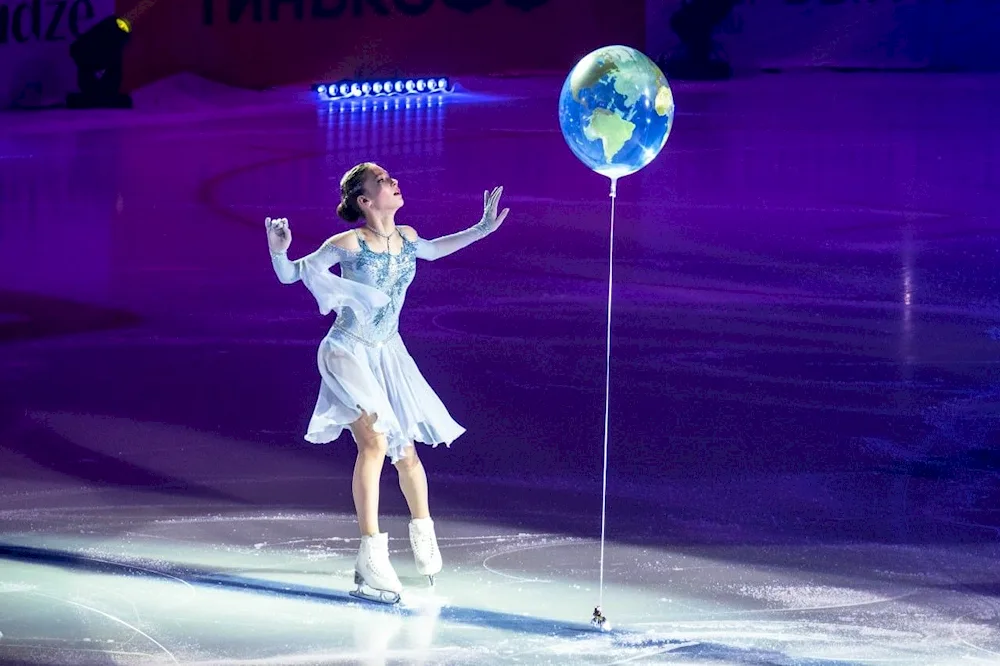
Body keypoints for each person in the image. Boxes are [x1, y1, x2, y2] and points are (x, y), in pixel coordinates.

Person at [265, 162, 509, 603]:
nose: (394, 183)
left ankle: (423, 534)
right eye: (383, 181)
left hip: (388, 353)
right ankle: (371, 553)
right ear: (365, 201)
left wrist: (482, 229)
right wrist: (279, 251)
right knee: (375, 442)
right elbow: (291, 275)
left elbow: (434, 249)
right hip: (347, 350)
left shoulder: (409, 238)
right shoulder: (347, 244)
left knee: (407, 450)